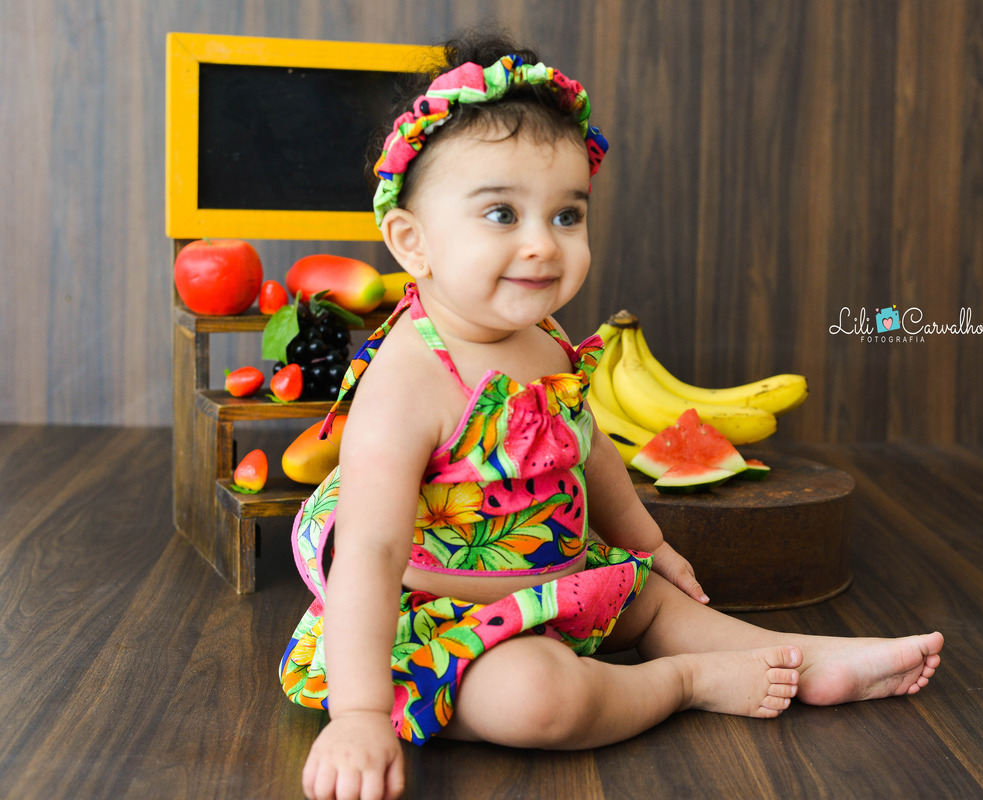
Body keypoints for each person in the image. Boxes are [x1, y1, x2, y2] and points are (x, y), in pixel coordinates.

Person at [279, 31, 944, 800]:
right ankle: (686, 683)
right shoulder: (409, 382)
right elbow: (370, 551)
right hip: (438, 619)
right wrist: (360, 714)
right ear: (412, 242)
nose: (542, 245)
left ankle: (793, 656)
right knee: (539, 698)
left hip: (554, 581)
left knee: (657, 601)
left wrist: (647, 544)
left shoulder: (548, 341)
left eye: (567, 215)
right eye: (501, 214)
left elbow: (585, 448)